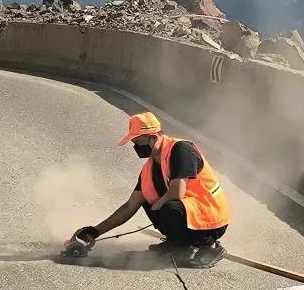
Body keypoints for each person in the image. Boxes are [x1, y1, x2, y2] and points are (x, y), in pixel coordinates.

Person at [68, 112, 230, 269]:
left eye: (138, 142)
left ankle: (210, 246)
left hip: (211, 218)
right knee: (151, 199)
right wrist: (94, 232)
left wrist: (158, 204)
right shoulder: (150, 168)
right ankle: (179, 244)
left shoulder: (181, 150)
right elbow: (130, 206)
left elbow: (177, 192)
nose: (136, 147)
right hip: (190, 214)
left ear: (153, 138)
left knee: (168, 207)